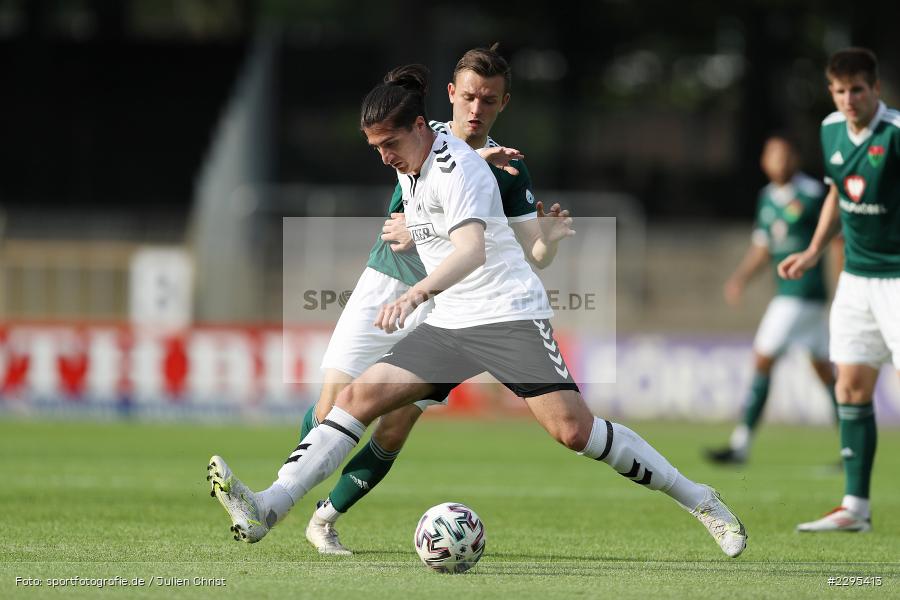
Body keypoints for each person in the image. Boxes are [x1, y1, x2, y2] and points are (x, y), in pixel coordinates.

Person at [208, 63, 748, 558]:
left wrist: (417, 293)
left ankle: (700, 498)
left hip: (506, 314)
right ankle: (268, 506)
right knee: (355, 399)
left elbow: (471, 251)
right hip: (450, 322)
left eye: (389, 144)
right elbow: (446, 164)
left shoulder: (457, 170)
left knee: (574, 432)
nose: (384, 157)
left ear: (417, 127)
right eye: (375, 147)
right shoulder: (429, 147)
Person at [298, 45, 574, 555]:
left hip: (449, 301)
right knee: (333, 403)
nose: (476, 108)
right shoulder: (419, 133)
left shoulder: (511, 169)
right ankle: (281, 492)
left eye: (488, 100)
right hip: (389, 282)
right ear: (450, 94)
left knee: (396, 424)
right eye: (468, 96)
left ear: (504, 103)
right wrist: (454, 187)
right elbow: (405, 209)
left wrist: (549, 240)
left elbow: (532, 253)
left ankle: (324, 517)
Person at [778, 47, 900, 532]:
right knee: (849, 386)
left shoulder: (894, 133)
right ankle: (855, 507)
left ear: (876, 89)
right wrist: (812, 250)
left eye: (858, 90)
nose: (849, 99)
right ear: (831, 91)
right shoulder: (830, 129)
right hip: (856, 281)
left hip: (897, 279)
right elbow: (836, 191)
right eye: (840, 91)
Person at [705, 135, 838, 465]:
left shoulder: (812, 194)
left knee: (763, 358)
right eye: (773, 155)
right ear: (764, 162)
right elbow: (763, 247)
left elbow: (836, 238)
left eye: (784, 155)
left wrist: (840, 285)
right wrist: (740, 278)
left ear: (795, 159)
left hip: (801, 294)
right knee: (824, 371)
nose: (779, 161)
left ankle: (741, 445)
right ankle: (851, 448)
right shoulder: (767, 197)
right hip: (796, 297)